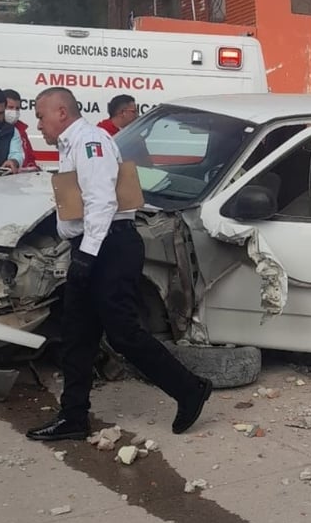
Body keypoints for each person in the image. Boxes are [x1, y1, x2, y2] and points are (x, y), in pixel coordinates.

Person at [26, 87, 212, 441]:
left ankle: (189, 389)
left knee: (123, 333)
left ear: (61, 112)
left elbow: (101, 203)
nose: (38, 123)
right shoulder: (72, 145)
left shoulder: (89, 142)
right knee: (77, 336)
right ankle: (74, 416)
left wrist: (86, 255)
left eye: (40, 115)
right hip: (95, 244)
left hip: (109, 246)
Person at [4, 89, 38, 170]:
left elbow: (30, 157)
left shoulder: (21, 131)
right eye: (10, 107)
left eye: (17, 108)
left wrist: (32, 168)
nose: (14, 111)